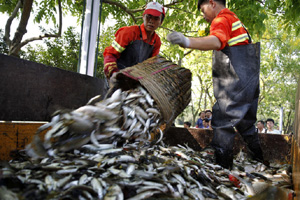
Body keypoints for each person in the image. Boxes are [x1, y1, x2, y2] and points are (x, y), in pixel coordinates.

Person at [167, 0, 264, 169]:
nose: (203, 16)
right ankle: (261, 161)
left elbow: (216, 41)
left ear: (212, 3)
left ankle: (223, 168)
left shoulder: (222, 19)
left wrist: (187, 41)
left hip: (237, 82)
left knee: (222, 118)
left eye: (203, 10)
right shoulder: (235, 20)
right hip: (250, 84)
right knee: (246, 125)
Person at [103, 2, 165, 81]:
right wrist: (114, 74)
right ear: (143, 17)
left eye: (156, 18)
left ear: (161, 22)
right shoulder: (129, 32)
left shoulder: (157, 41)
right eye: (148, 17)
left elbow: (151, 66)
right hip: (118, 76)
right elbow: (110, 54)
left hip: (136, 80)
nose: (151, 21)